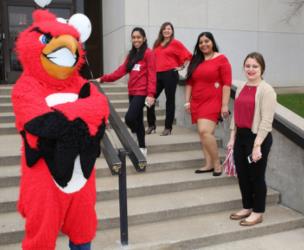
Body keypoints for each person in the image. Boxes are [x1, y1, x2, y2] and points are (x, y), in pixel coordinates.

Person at [228, 52, 277, 226]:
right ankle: (247, 206)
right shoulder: (242, 87)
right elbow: (236, 113)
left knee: (256, 176)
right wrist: (232, 137)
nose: (251, 69)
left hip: (258, 138)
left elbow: (266, 121)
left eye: (255, 66)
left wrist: (257, 146)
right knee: (242, 175)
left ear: (262, 68)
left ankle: (258, 212)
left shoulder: (266, 90)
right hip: (241, 136)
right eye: (248, 66)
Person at [96, 27, 156, 156]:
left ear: (144, 38)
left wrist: (151, 94)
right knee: (138, 120)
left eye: (138, 37)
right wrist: (103, 78)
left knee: (130, 118)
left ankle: (135, 135)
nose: (136, 40)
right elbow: (120, 71)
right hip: (132, 92)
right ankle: (142, 147)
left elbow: (152, 74)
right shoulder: (132, 55)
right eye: (134, 37)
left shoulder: (148, 53)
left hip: (142, 92)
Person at [185, 32, 232, 176]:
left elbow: (226, 84)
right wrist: (187, 101)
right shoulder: (196, 60)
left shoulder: (222, 59)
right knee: (204, 133)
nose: (204, 44)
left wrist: (224, 105)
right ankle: (208, 164)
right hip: (197, 101)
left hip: (213, 100)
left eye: (207, 41)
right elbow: (190, 83)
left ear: (212, 42)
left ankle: (217, 163)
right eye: (201, 42)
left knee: (204, 131)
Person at [146, 22, 192, 136]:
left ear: (172, 31)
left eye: (169, 29)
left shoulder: (175, 43)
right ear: (162, 31)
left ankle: (168, 128)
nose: (167, 30)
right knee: (149, 100)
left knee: (169, 101)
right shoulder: (157, 44)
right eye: (165, 29)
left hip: (170, 74)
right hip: (157, 74)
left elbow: (188, 55)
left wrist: (181, 67)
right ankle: (151, 125)